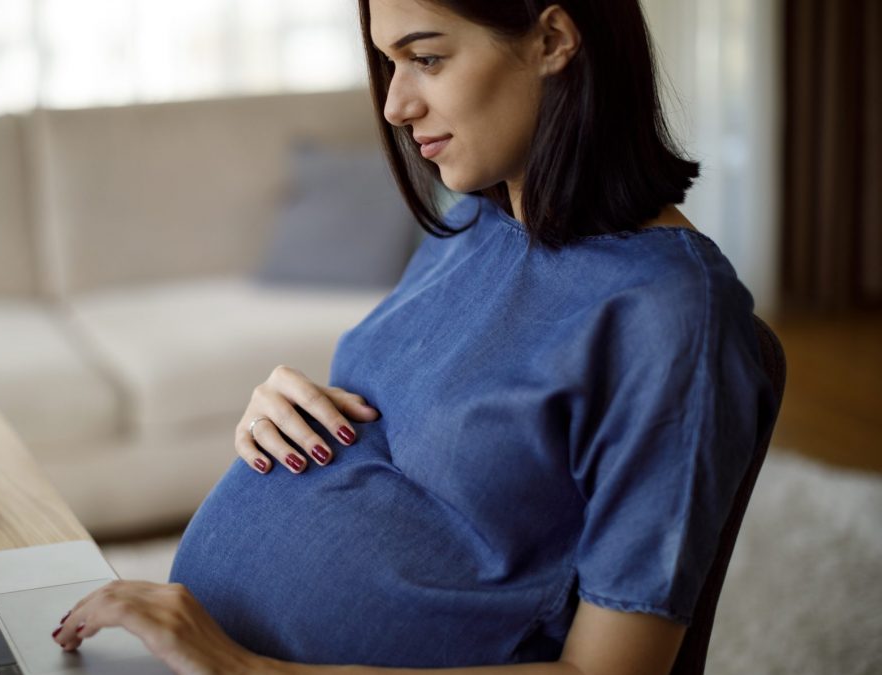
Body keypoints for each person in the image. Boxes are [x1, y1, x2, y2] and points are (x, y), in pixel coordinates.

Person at [50, 0, 780, 673]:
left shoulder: (670, 315)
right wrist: (283, 425)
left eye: (427, 58)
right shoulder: (474, 223)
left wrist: (245, 666)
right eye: (389, 63)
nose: (397, 103)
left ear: (554, 40)